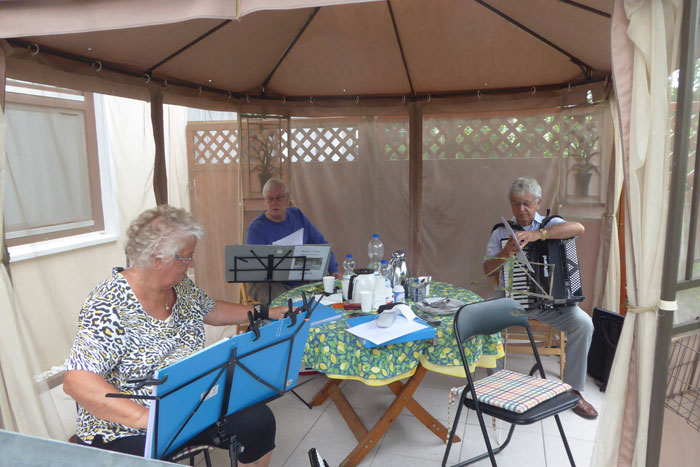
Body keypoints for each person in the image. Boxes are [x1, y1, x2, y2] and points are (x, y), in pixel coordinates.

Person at [64, 205, 288, 465]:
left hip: (188, 406)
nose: (191, 264)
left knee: (259, 423)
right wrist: (151, 420)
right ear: (158, 258)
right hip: (128, 427)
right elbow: (76, 381)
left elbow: (210, 309)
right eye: (186, 257)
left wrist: (264, 311)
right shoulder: (109, 304)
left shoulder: (179, 287)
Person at [483, 177, 598, 420]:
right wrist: (504, 254)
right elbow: (487, 270)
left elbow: (578, 228)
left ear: (538, 202)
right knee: (481, 318)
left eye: (526, 204)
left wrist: (539, 235)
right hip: (511, 301)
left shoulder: (552, 223)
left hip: (552, 304)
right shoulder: (501, 231)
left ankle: (573, 391)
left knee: (584, 323)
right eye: (516, 204)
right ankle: (492, 383)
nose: (521, 209)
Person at [246, 178, 340, 304]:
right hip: (269, 283)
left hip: (301, 276)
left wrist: (334, 270)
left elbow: (322, 243)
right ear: (265, 201)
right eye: (270, 199)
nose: (274, 203)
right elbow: (255, 268)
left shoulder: (297, 215)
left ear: (287, 198)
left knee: (327, 294)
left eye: (279, 198)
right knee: (285, 304)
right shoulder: (256, 228)